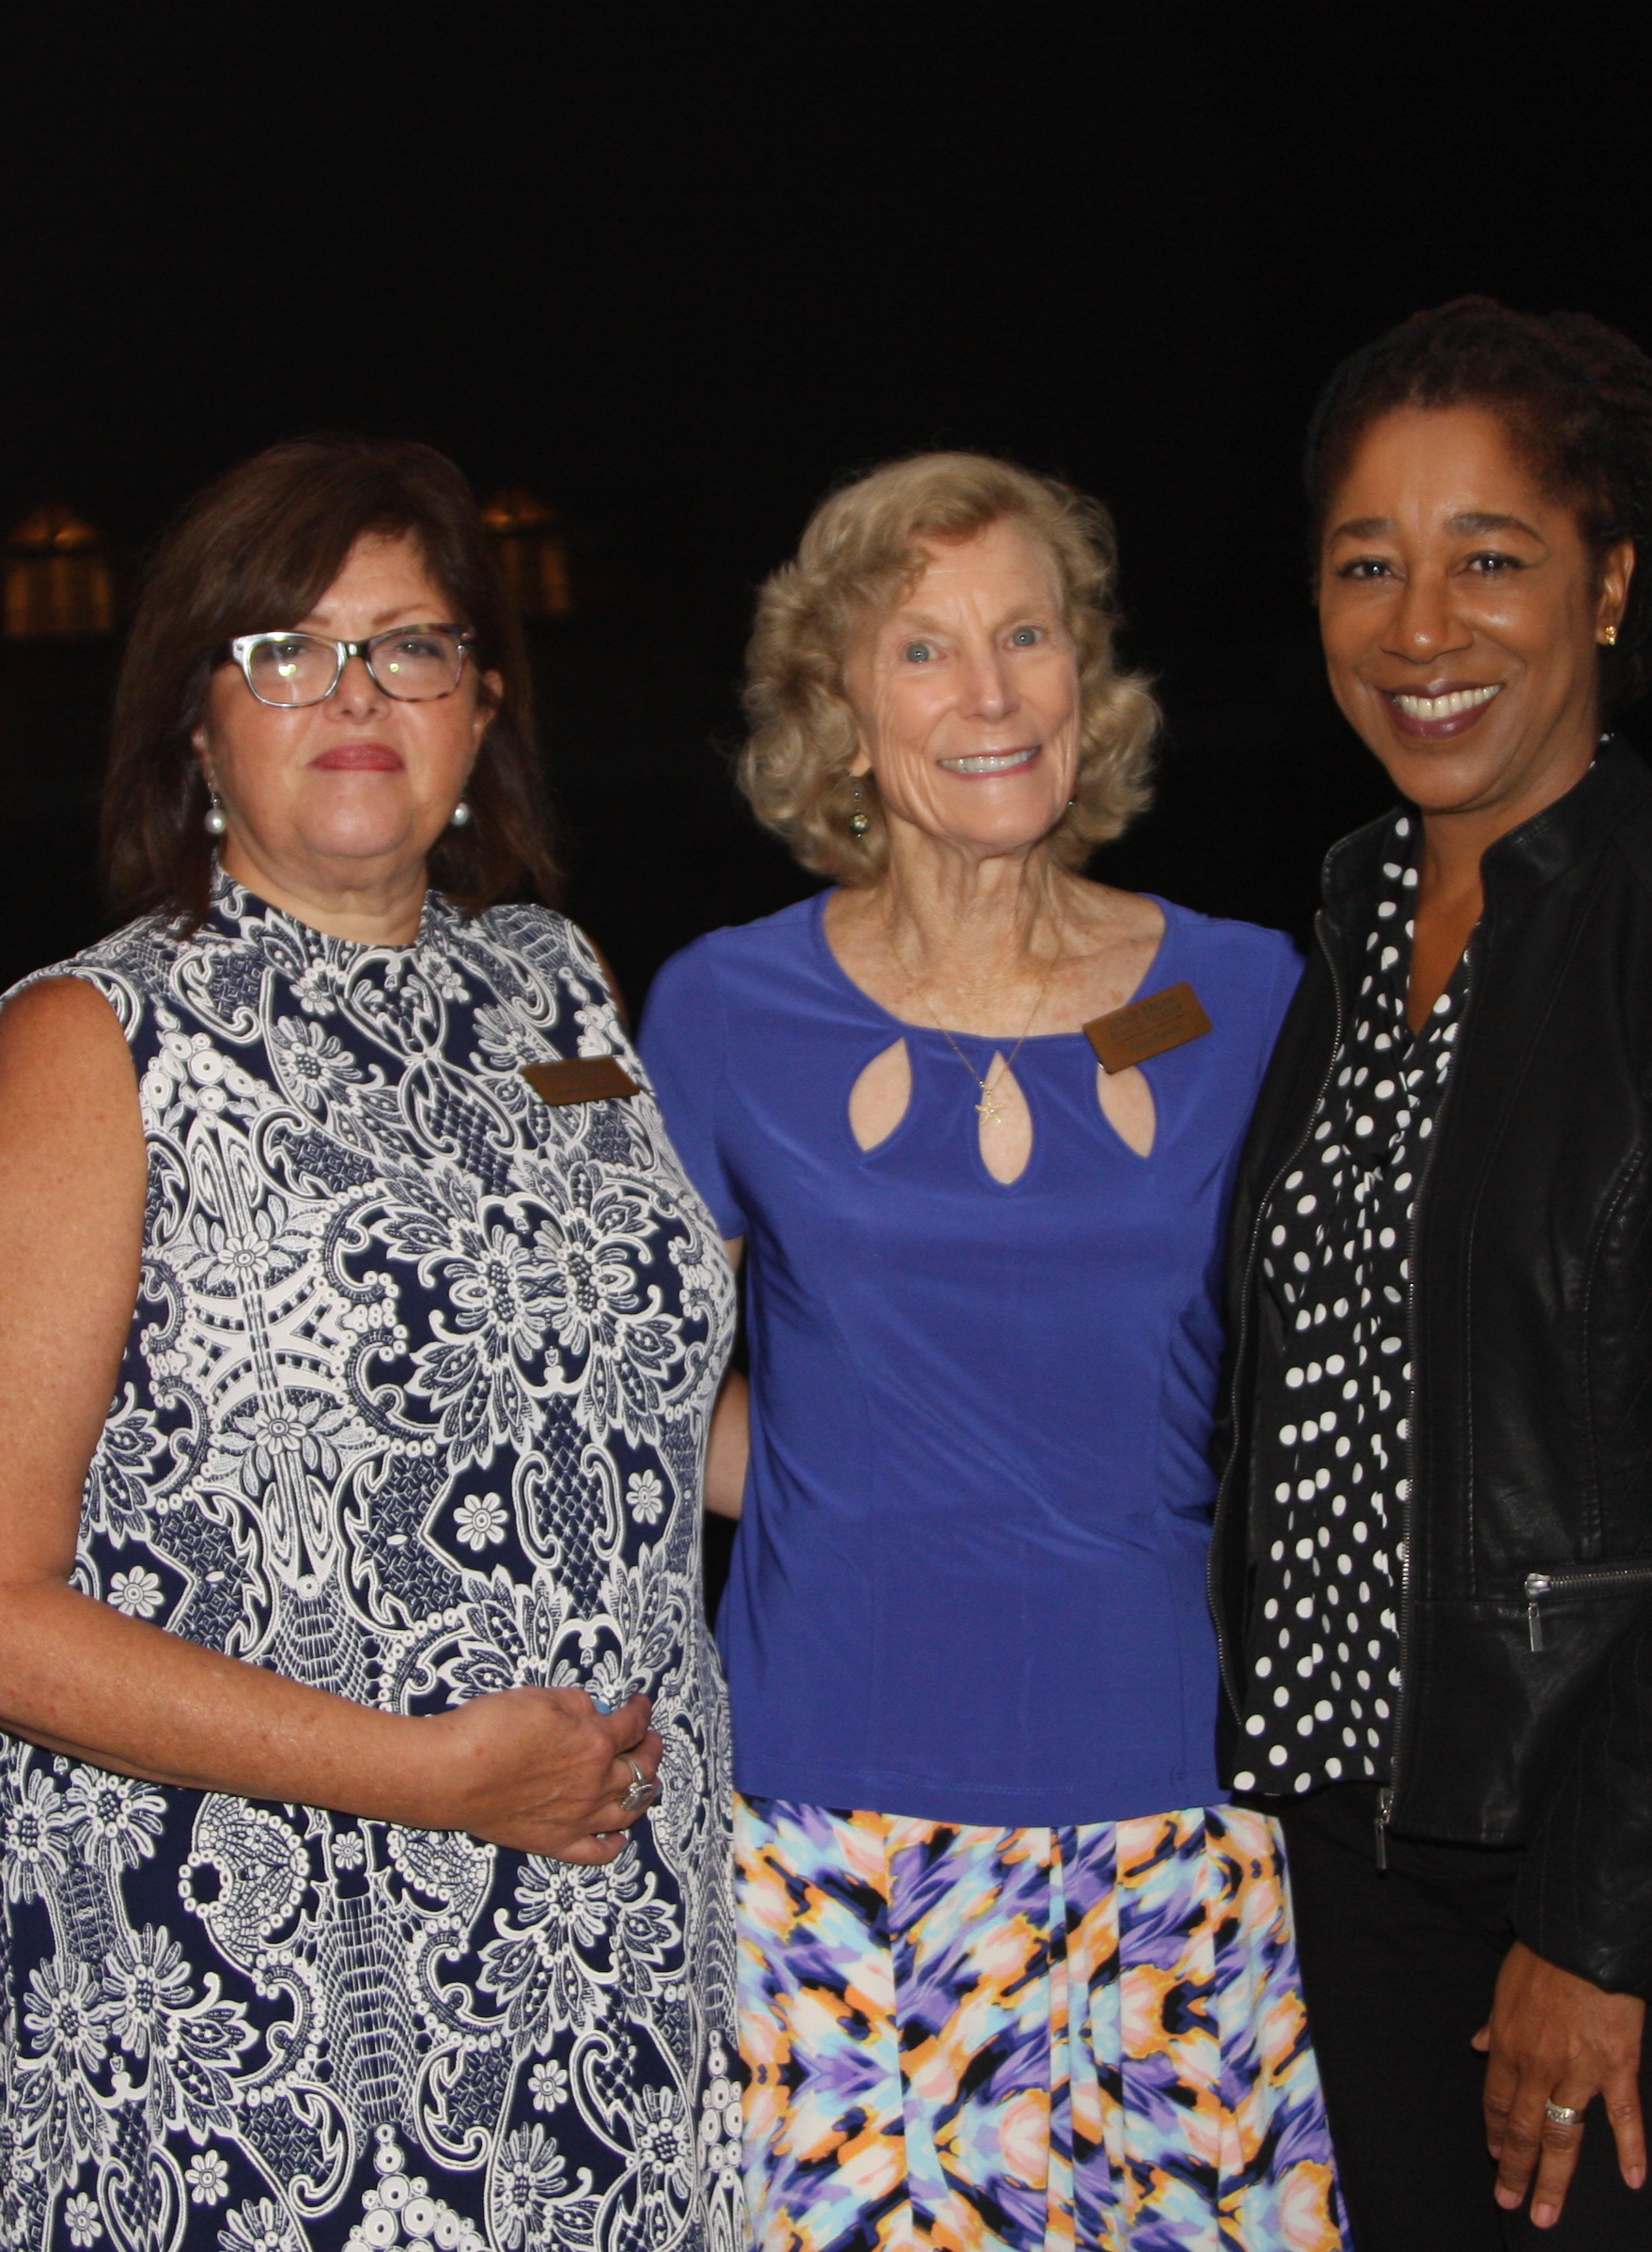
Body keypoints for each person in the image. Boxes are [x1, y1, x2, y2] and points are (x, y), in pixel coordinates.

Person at [0, 434, 740, 2251]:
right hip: (240, 2002)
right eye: (286, 649)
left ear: (482, 708)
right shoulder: (89, 1049)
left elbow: (632, 1399)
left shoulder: (559, 987)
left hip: (610, 1963)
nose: (355, 693)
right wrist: (429, 1778)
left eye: (411, 646)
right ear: (195, 724)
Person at [1213, 298, 1652, 2247]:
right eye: (1369, 565)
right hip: (1364, 1831)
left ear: (1607, 585)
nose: (1421, 627)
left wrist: (1600, 1930)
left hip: (1641, 1861)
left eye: (1490, 559)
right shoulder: (1347, 932)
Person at [638, 452, 1344, 2246]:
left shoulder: (1248, 994)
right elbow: (628, 1397)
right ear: (842, 715)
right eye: (924, 649)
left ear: (1086, 677)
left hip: (1176, 1798)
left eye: (1027, 635)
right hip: (828, 1823)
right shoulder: (723, 1011)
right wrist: (834, 1469)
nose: (991, 692)